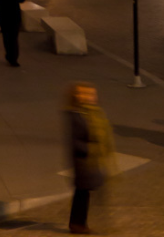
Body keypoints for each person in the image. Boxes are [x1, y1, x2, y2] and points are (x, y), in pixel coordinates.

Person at [66, 82, 116, 235]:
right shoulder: (76, 116)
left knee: (84, 193)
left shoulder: (94, 113)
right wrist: (94, 149)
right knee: (83, 193)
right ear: (77, 97)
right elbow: (75, 142)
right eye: (84, 94)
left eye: (91, 94)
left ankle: (79, 223)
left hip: (90, 161)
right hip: (83, 161)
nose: (89, 97)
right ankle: (78, 224)